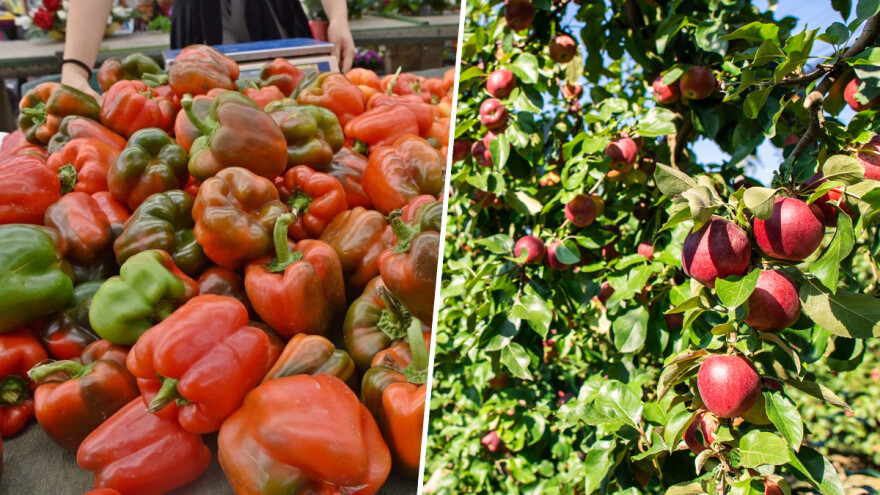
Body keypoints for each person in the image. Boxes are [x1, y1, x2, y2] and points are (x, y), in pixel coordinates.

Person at [61, 0, 356, 99]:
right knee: (202, 132)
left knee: (295, 116)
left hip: (275, 20)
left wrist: (339, 17)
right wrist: (74, 67)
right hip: (198, 24)